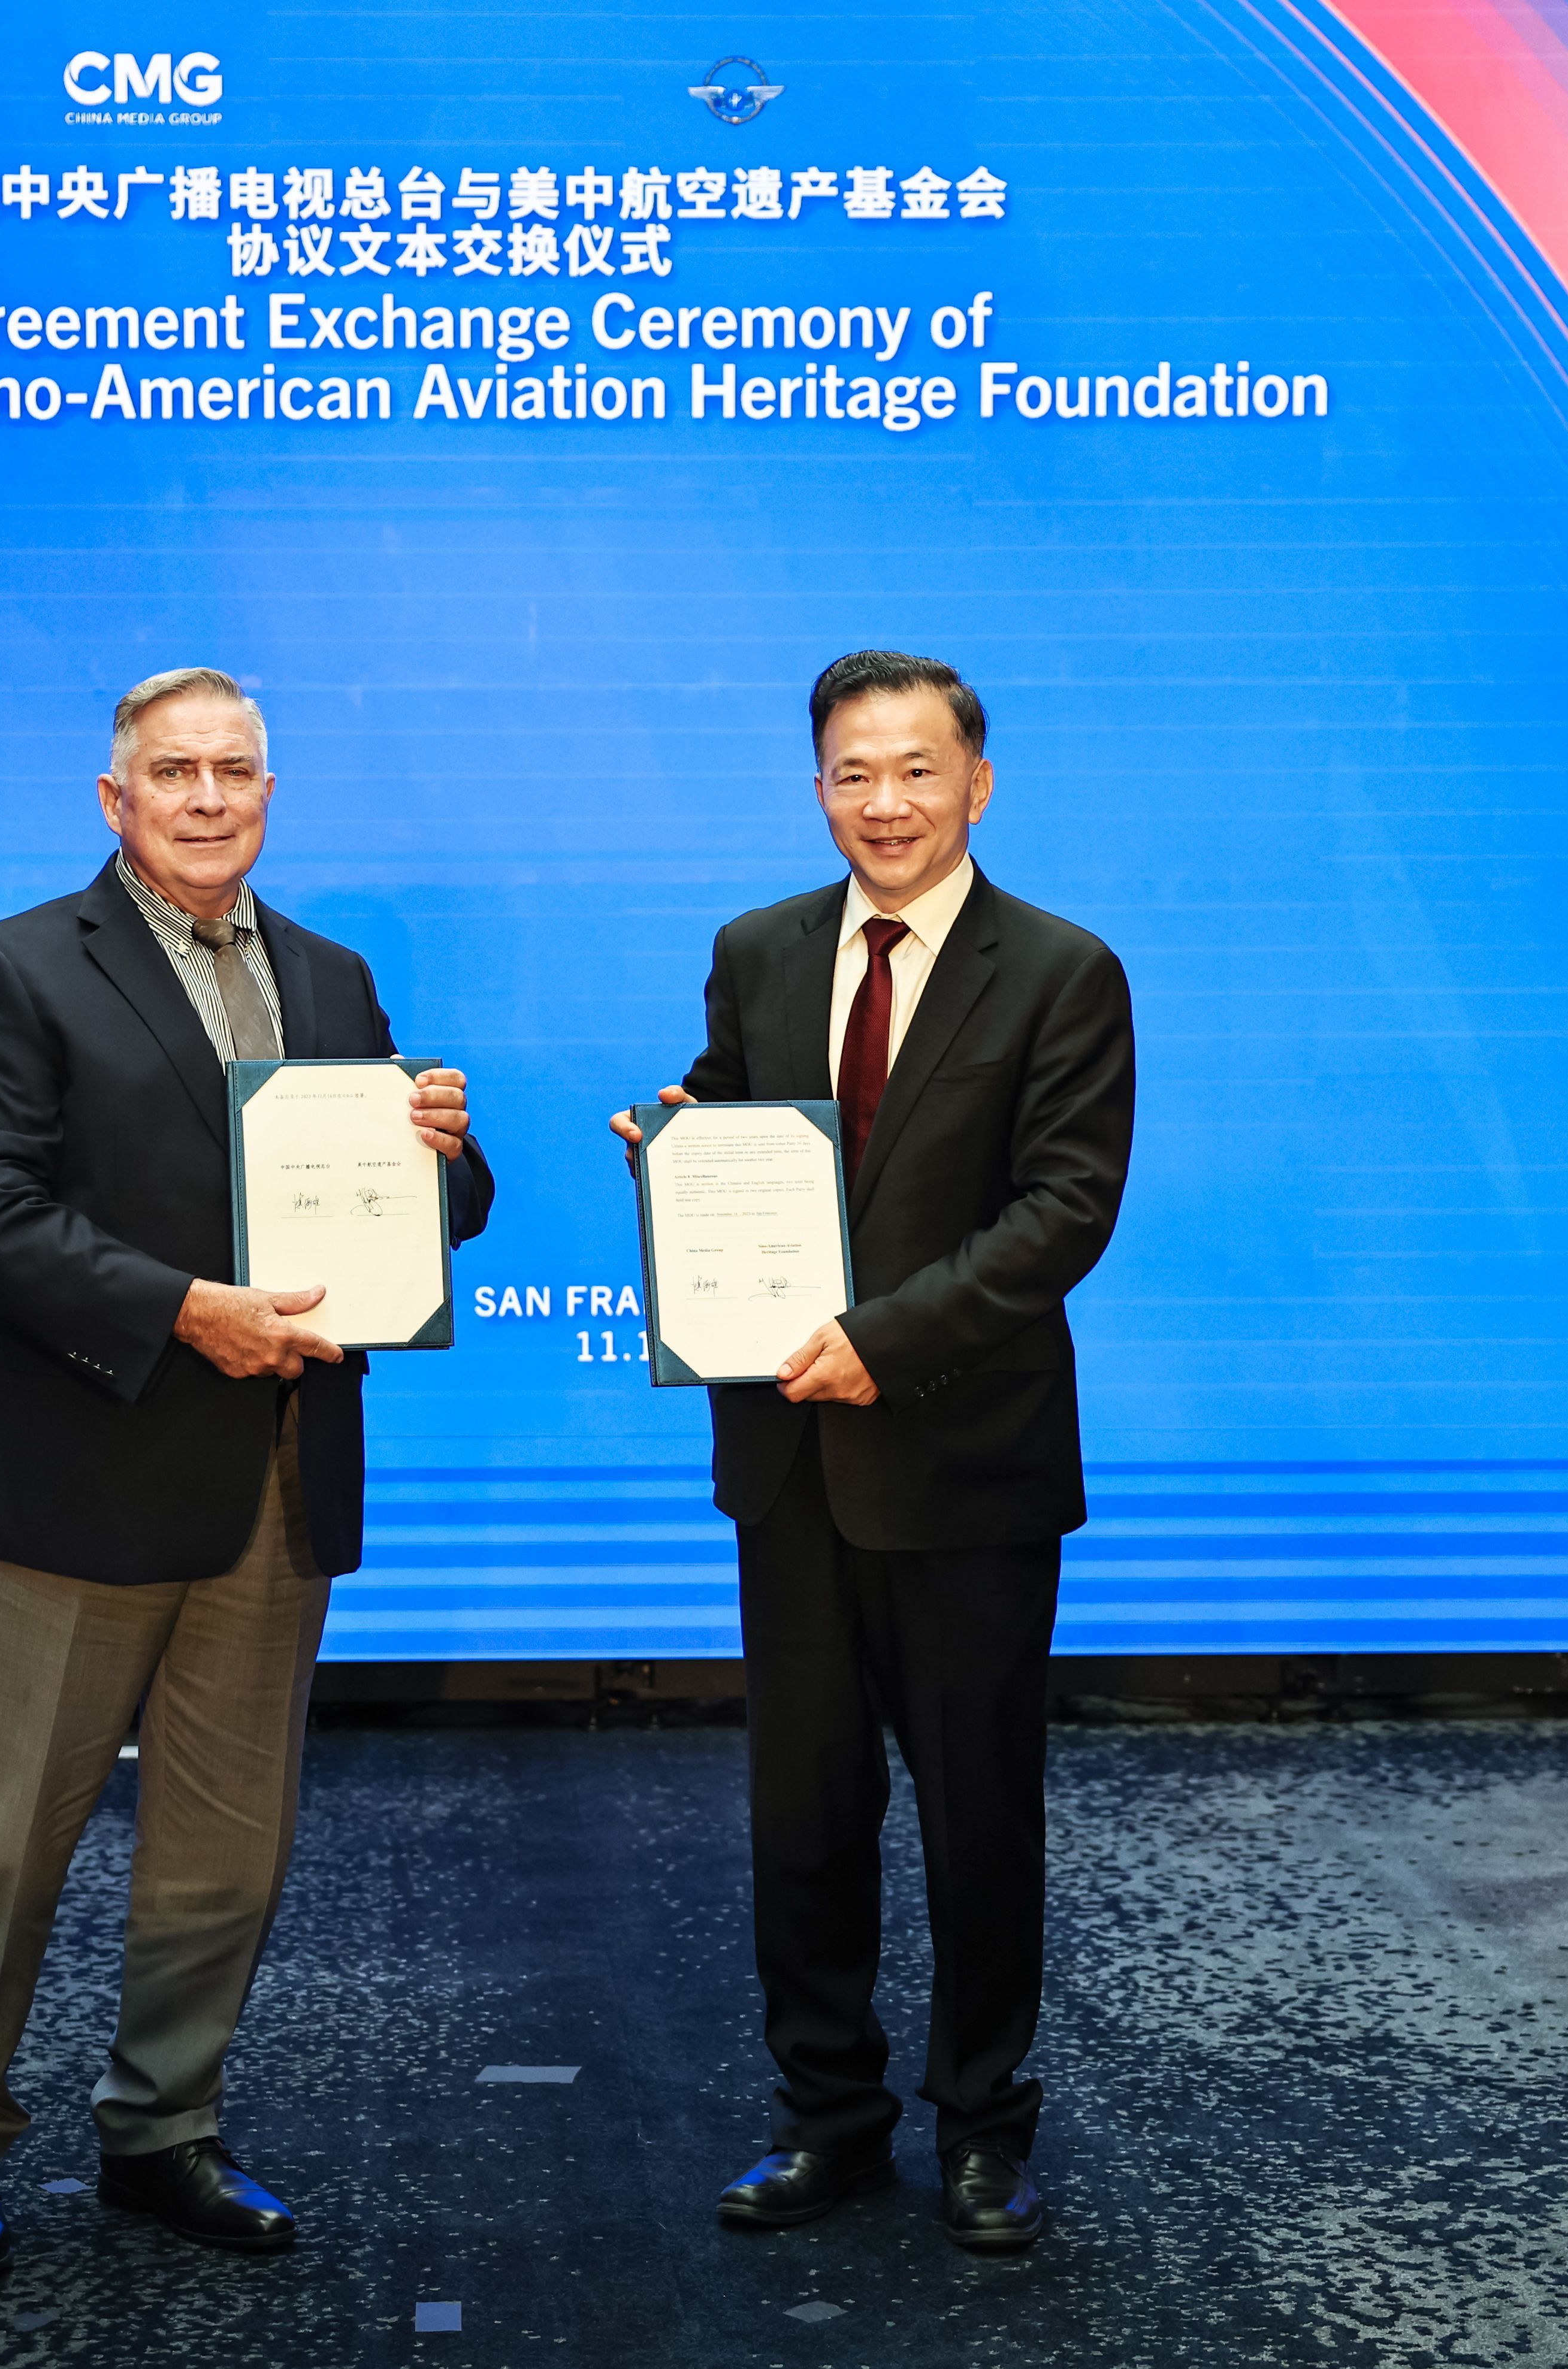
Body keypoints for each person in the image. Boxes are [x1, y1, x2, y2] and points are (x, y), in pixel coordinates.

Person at [0, 666, 491, 2282]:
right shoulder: (18, 965)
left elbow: (428, 1221)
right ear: (117, 798)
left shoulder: (335, 976)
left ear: (270, 795)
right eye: (175, 772)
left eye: (235, 770)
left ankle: (164, 2125)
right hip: (70, 1480)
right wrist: (182, 1311)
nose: (208, 797)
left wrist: (448, 1154)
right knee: (1, 1844)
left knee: (227, 1850)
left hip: (275, 1480)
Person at [612, 649, 1132, 2253]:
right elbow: (735, 1125)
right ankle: (825, 2117)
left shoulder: (1063, 970)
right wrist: (672, 1151)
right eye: (853, 773)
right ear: (819, 787)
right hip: (790, 1467)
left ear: (977, 782)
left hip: (964, 1465)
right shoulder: (757, 949)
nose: (885, 802)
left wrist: (883, 1343)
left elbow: (1062, 1213)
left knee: (978, 1818)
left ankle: (984, 2128)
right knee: (804, 1817)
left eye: (916, 770)